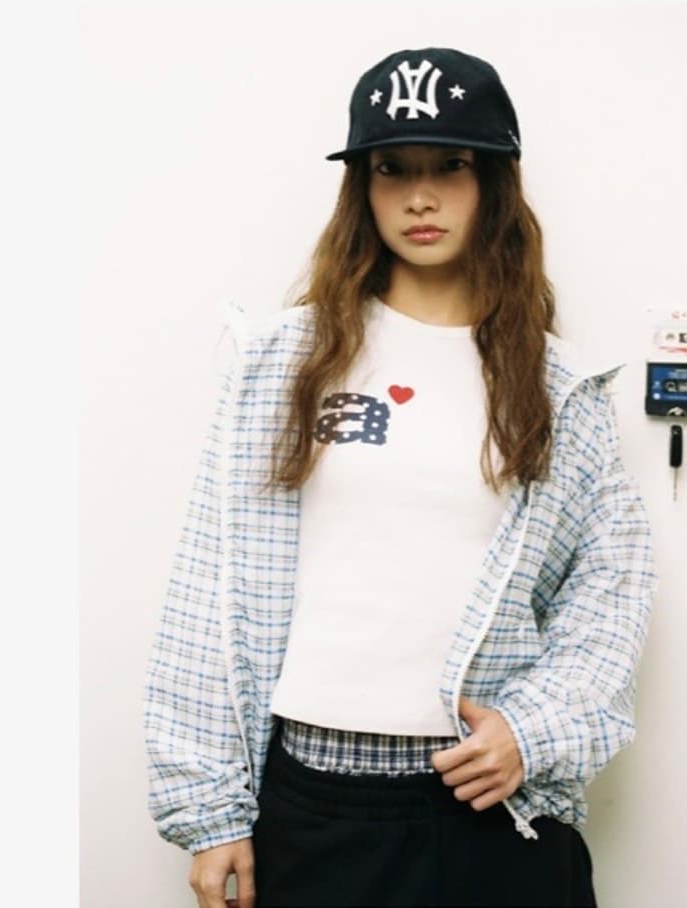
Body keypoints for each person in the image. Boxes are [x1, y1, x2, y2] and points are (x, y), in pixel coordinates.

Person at [143, 46, 657, 908]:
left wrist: (532, 729)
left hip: (492, 807)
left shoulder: (557, 385)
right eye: (392, 170)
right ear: (363, 188)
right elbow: (209, 584)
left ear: (494, 182)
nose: (420, 197)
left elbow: (611, 585)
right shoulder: (282, 362)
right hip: (317, 806)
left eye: (450, 166)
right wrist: (210, 812)